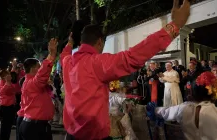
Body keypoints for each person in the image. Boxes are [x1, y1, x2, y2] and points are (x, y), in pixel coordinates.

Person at [63, 0, 191, 139]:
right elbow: (132, 57)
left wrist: (70, 42)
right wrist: (174, 26)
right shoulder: (96, 62)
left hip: (70, 135)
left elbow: (64, 54)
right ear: (100, 42)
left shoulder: (67, 62)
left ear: (81, 42)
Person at [154, 72, 217, 140]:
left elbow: (161, 111)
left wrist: (154, 109)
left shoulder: (182, 109)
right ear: (215, 94)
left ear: (193, 93)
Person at [19, 38, 58, 140]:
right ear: (33, 69)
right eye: (39, 67)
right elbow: (42, 75)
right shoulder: (31, 83)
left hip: (37, 126)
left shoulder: (29, 83)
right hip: (35, 128)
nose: (40, 69)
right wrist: (51, 55)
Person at [0, 70, 16, 140]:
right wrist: (8, 82)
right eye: (8, 75)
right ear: (3, 77)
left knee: (7, 129)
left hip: (9, 108)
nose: (10, 76)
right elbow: (4, 91)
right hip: (6, 109)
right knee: (5, 130)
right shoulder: (4, 84)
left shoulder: (6, 83)